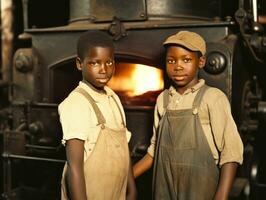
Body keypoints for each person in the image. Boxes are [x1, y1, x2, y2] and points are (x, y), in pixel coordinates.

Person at [133, 31, 244, 200]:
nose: (178, 66)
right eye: (171, 60)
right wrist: (126, 178)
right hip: (165, 188)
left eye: (186, 60)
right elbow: (154, 151)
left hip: (202, 188)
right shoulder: (163, 100)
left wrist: (221, 195)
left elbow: (231, 152)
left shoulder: (212, 98)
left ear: (201, 62)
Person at [58, 30, 137, 200]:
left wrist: (131, 190)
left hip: (116, 192)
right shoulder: (76, 103)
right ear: (80, 64)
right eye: (95, 63)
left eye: (109, 62)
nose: (103, 69)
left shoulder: (113, 98)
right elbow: (75, 167)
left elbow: (123, 148)